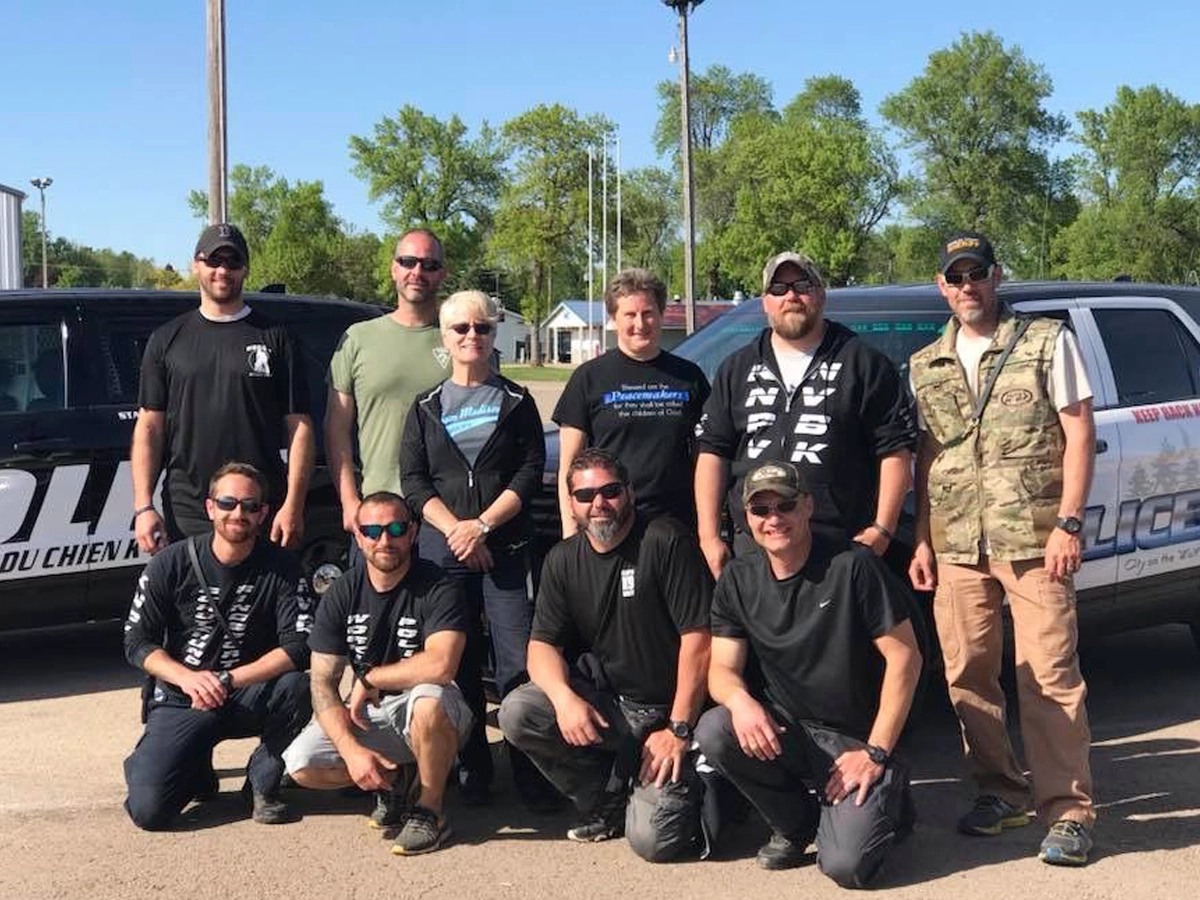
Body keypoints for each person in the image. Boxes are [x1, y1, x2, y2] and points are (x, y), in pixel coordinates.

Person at [908, 231, 1097, 866]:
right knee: (967, 674)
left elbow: (1079, 432)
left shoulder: (1046, 341)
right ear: (942, 287)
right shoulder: (926, 363)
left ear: (995, 277)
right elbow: (929, 458)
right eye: (956, 277)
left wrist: (1069, 523)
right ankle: (1000, 792)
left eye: (977, 273)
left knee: (1048, 676)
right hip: (957, 544)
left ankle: (1068, 813)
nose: (968, 286)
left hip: (1036, 540)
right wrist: (922, 538)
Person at [696, 461, 921, 888]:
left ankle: (890, 801)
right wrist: (741, 702)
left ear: (808, 506)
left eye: (785, 505)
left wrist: (875, 751)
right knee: (716, 727)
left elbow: (905, 657)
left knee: (847, 866)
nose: (774, 519)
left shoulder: (853, 565)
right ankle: (795, 824)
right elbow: (721, 670)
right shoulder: (738, 579)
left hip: (857, 739)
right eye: (761, 510)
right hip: (793, 730)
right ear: (747, 517)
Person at [498, 448, 713, 862]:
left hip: (675, 713)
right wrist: (564, 700)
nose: (598, 503)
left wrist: (679, 729)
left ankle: (686, 783)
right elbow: (541, 647)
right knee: (518, 711)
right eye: (585, 495)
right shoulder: (563, 559)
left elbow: (699, 640)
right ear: (571, 504)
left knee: (654, 842)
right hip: (616, 708)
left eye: (610, 491)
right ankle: (606, 796)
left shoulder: (665, 540)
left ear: (629, 492)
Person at [399, 290, 551, 809]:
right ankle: (472, 769)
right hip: (444, 553)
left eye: (481, 327)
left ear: (493, 333)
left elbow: (529, 471)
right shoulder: (425, 407)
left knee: (516, 663)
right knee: (456, 662)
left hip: (505, 547)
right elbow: (414, 481)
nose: (471, 336)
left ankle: (530, 773)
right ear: (444, 338)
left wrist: (483, 526)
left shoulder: (517, 401)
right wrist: (459, 532)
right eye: (460, 328)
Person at [694, 251, 915, 581]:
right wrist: (709, 537)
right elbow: (713, 452)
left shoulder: (863, 363)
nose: (791, 296)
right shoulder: (737, 368)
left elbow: (895, 450)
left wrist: (882, 530)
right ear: (765, 302)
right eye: (779, 289)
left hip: (840, 550)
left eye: (802, 285)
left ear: (821, 294)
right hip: (755, 549)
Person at [122, 462, 311, 830]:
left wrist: (229, 679)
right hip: (183, 696)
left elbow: (299, 645)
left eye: (250, 506)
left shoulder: (284, 568)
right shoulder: (170, 563)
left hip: (245, 691)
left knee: (298, 687)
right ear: (210, 508)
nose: (238, 513)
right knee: (149, 812)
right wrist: (187, 678)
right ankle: (180, 762)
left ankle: (261, 784)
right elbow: (137, 641)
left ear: (263, 513)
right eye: (227, 503)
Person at [283, 492, 473, 856]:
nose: (384, 540)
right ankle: (395, 783)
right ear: (358, 537)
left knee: (428, 701)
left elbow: (441, 665)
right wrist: (352, 751)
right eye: (372, 531)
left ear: (412, 532)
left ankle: (430, 811)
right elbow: (322, 683)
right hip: (371, 714)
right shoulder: (342, 590)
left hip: (431, 710)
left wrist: (370, 679)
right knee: (301, 765)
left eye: (396, 529)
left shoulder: (438, 585)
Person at [132, 223, 314, 551]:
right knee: (192, 587)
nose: (223, 270)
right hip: (188, 510)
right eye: (213, 260)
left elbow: (300, 427)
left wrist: (293, 504)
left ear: (245, 269)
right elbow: (149, 427)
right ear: (196, 265)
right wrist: (144, 506)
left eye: (233, 262)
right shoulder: (167, 339)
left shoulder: (276, 337)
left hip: (259, 508)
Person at [553, 268, 709, 534]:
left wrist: (708, 530)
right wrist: (571, 532)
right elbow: (568, 467)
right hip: (608, 523)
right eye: (630, 315)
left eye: (648, 313)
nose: (640, 323)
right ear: (613, 318)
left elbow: (705, 458)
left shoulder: (689, 377)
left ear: (661, 314)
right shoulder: (588, 378)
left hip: (675, 524)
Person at [326, 228, 450, 537]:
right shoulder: (358, 338)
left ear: (442, 273)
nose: (417, 272)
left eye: (429, 265)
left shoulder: (460, 338)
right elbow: (336, 428)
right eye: (408, 262)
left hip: (446, 514)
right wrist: (349, 502)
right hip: (377, 511)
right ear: (394, 268)